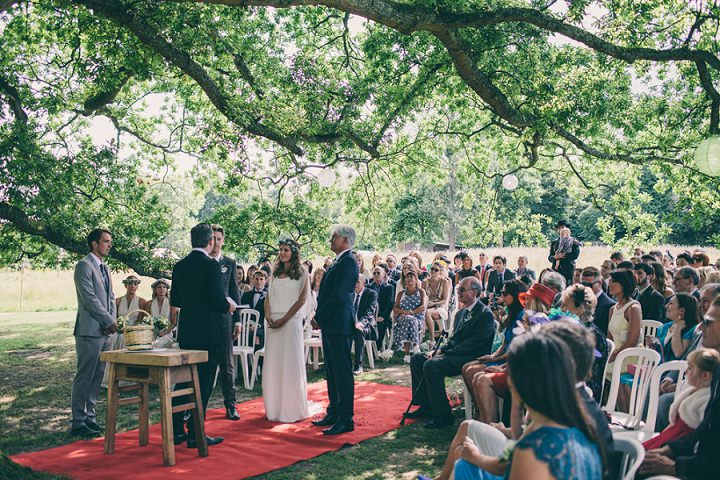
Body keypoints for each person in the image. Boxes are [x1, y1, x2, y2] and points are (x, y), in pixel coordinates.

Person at [419, 321, 611, 480]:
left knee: (463, 466)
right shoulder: (576, 423)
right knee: (464, 463)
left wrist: (476, 457)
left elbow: (509, 463)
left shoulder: (532, 452)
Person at [639, 295, 720, 478]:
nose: (701, 326)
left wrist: (676, 467)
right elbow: (704, 430)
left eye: (708, 321)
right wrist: (669, 449)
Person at [170, 223, 235, 448]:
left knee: (184, 379)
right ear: (209, 242)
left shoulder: (179, 266)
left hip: (188, 331)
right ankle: (196, 433)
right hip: (209, 333)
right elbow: (218, 301)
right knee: (204, 384)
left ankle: (177, 428)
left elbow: (176, 300)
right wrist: (229, 306)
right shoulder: (211, 265)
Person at [406, 277, 495, 429]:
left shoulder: (484, 314)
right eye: (458, 289)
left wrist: (445, 353)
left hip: (472, 357)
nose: (458, 292)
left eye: (462, 290)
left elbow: (473, 343)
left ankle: (443, 415)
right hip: (456, 353)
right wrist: (439, 350)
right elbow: (455, 339)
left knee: (431, 365)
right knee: (418, 358)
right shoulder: (460, 313)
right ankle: (426, 405)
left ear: (474, 292)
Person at [311, 224, 360, 435]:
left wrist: (319, 317)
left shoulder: (349, 262)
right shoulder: (338, 261)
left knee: (342, 371)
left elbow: (340, 295)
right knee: (331, 370)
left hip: (339, 323)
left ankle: (345, 418)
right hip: (331, 324)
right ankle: (333, 410)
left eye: (334, 237)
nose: (331, 240)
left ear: (345, 240)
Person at [70, 228, 118, 437]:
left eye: (109, 242)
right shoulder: (83, 266)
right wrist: (108, 321)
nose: (109, 245)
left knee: (98, 375)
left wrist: (112, 321)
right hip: (89, 331)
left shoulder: (105, 268)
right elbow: (90, 300)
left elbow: (110, 298)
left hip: (104, 331)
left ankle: (90, 416)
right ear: (94, 244)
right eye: (106, 241)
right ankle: (78, 421)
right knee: (85, 375)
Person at [263, 238, 310, 423]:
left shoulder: (302, 273)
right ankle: (274, 408)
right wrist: (268, 316)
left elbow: (302, 300)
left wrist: (284, 319)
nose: (282, 253)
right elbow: (268, 297)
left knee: (290, 364)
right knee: (274, 364)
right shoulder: (274, 273)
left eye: (286, 250)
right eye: (280, 250)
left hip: (291, 321)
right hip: (273, 321)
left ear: (293, 252)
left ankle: (291, 408)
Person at [642, 348, 720, 450]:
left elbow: (702, 432)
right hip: (673, 431)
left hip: (683, 438)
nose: (686, 371)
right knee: (643, 447)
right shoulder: (691, 390)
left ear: (705, 375)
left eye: (690, 368)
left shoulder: (706, 399)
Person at [210, 225, 241, 421]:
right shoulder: (202, 262)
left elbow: (234, 292)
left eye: (218, 239)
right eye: (212, 238)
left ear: (223, 241)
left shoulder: (229, 263)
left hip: (225, 320)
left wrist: (237, 321)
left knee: (227, 364)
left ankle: (231, 405)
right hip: (205, 320)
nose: (215, 242)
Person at [649, 293, 698, 363]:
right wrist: (652, 344)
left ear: (682, 310)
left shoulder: (691, 330)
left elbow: (678, 353)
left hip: (673, 370)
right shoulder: (664, 327)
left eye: (671, 303)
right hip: (656, 366)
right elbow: (658, 352)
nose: (666, 306)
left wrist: (677, 329)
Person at [393, 265, 427, 362]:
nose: (409, 279)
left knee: (410, 319)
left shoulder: (421, 292)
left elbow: (423, 307)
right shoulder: (401, 293)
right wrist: (404, 312)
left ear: (416, 280)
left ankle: (407, 354)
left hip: (417, 318)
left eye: (411, 277)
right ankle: (416, 346)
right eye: (407, 277)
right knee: (407, 319)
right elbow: (395, 308)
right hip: (402, 317)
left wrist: (412, 312)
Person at [351, 274, 378, 374]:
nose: (355, 284)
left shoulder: (371, 294)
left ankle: (358, 365)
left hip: (367, 326)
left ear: (364, 283)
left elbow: (370, 312)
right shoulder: (350, 294)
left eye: (357, 282)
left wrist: (360, 323)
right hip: (351, 324)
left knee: (358, 331)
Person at [581, 266, 616, 336]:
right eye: (582, 285)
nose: (585, 288)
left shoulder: (609, 305)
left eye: (589, 285)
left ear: (600, 284)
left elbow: (603, 333)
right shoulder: (581, 300)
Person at [367, 263, 395, 351]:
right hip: (370, 315)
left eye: (378, 273)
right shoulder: (368, 287)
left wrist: (383, 316)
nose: (376, 275)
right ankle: (367, 346)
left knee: (381, 324)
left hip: (382, 315)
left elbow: (390, 303)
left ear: (383, 275)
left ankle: (377, 348)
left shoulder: (389, 287)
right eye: (374, 273)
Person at [143, 278, 178, 348]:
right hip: (152, 333)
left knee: (157, 344)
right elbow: (146, 320)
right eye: (159, 287)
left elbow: (173, 323)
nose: (162, 289)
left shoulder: (171, 304)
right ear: (155, 290)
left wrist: (164, 332)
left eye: (164, 287)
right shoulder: (149, 303)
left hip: (166, 333)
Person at [422, 260, 450, 344]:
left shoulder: (444, 282)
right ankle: (416, 340)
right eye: (432, 269)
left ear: (440, 271)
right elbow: (422, 297)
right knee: (423, 312)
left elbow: (444, 300)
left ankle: (432, 339)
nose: (433, 271)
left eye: (436, 270)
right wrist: (427, 304)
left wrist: (434, 304)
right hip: (427, 306)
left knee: (426, 313)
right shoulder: (424, 282)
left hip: (440, 307)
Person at [241, 270, 268, 351]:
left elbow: (269, 315)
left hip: (262, 327)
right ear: (252, 280)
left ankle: (257, 361)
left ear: (265, 281)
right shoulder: (246, 295)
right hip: (246, 326)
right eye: (256, 279)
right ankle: (241, 362)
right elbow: (242, 312)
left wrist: (258, 325)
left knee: (256, 335)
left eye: (261, 279)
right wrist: (245, 324)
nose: (258, 282)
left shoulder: (269, 295)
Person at [548, 220, 580, 285]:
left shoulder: (573, 241)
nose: (560, 230)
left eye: (562, 227)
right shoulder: (554, 243)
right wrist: (555, 257)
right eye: (559, 228)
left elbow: (575, 255)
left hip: (568, 271)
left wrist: (562, 255)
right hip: (556, 271)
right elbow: (550, 258)